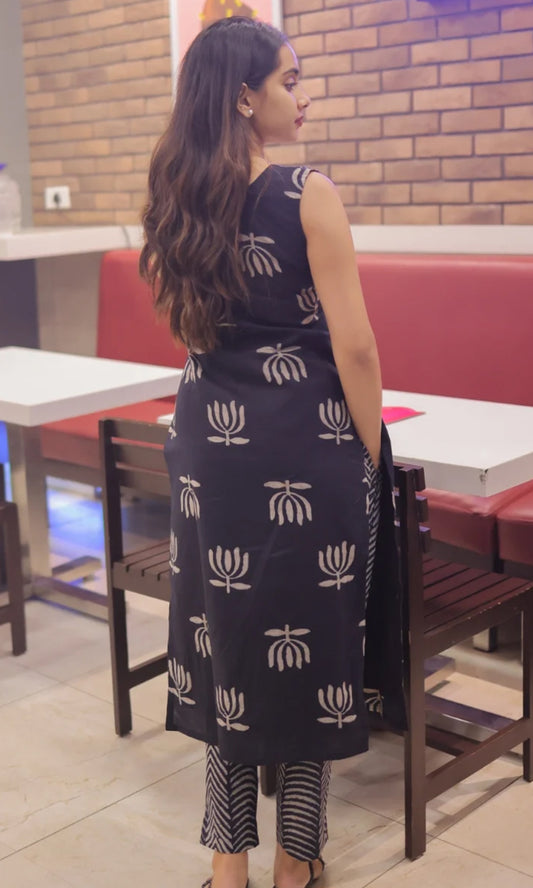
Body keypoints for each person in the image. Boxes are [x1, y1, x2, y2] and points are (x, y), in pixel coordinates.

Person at [140, 16, 405, 888]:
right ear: (245, 98)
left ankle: (227, 865)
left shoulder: (174, 193)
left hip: (207, 454)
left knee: (223, 647)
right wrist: (369, 452)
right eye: (291, 80)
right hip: (307, 444)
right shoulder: (306, 193)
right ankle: (297, 860)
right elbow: (356, 346)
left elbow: (188, 333)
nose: (305, 95)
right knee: (312, 652)